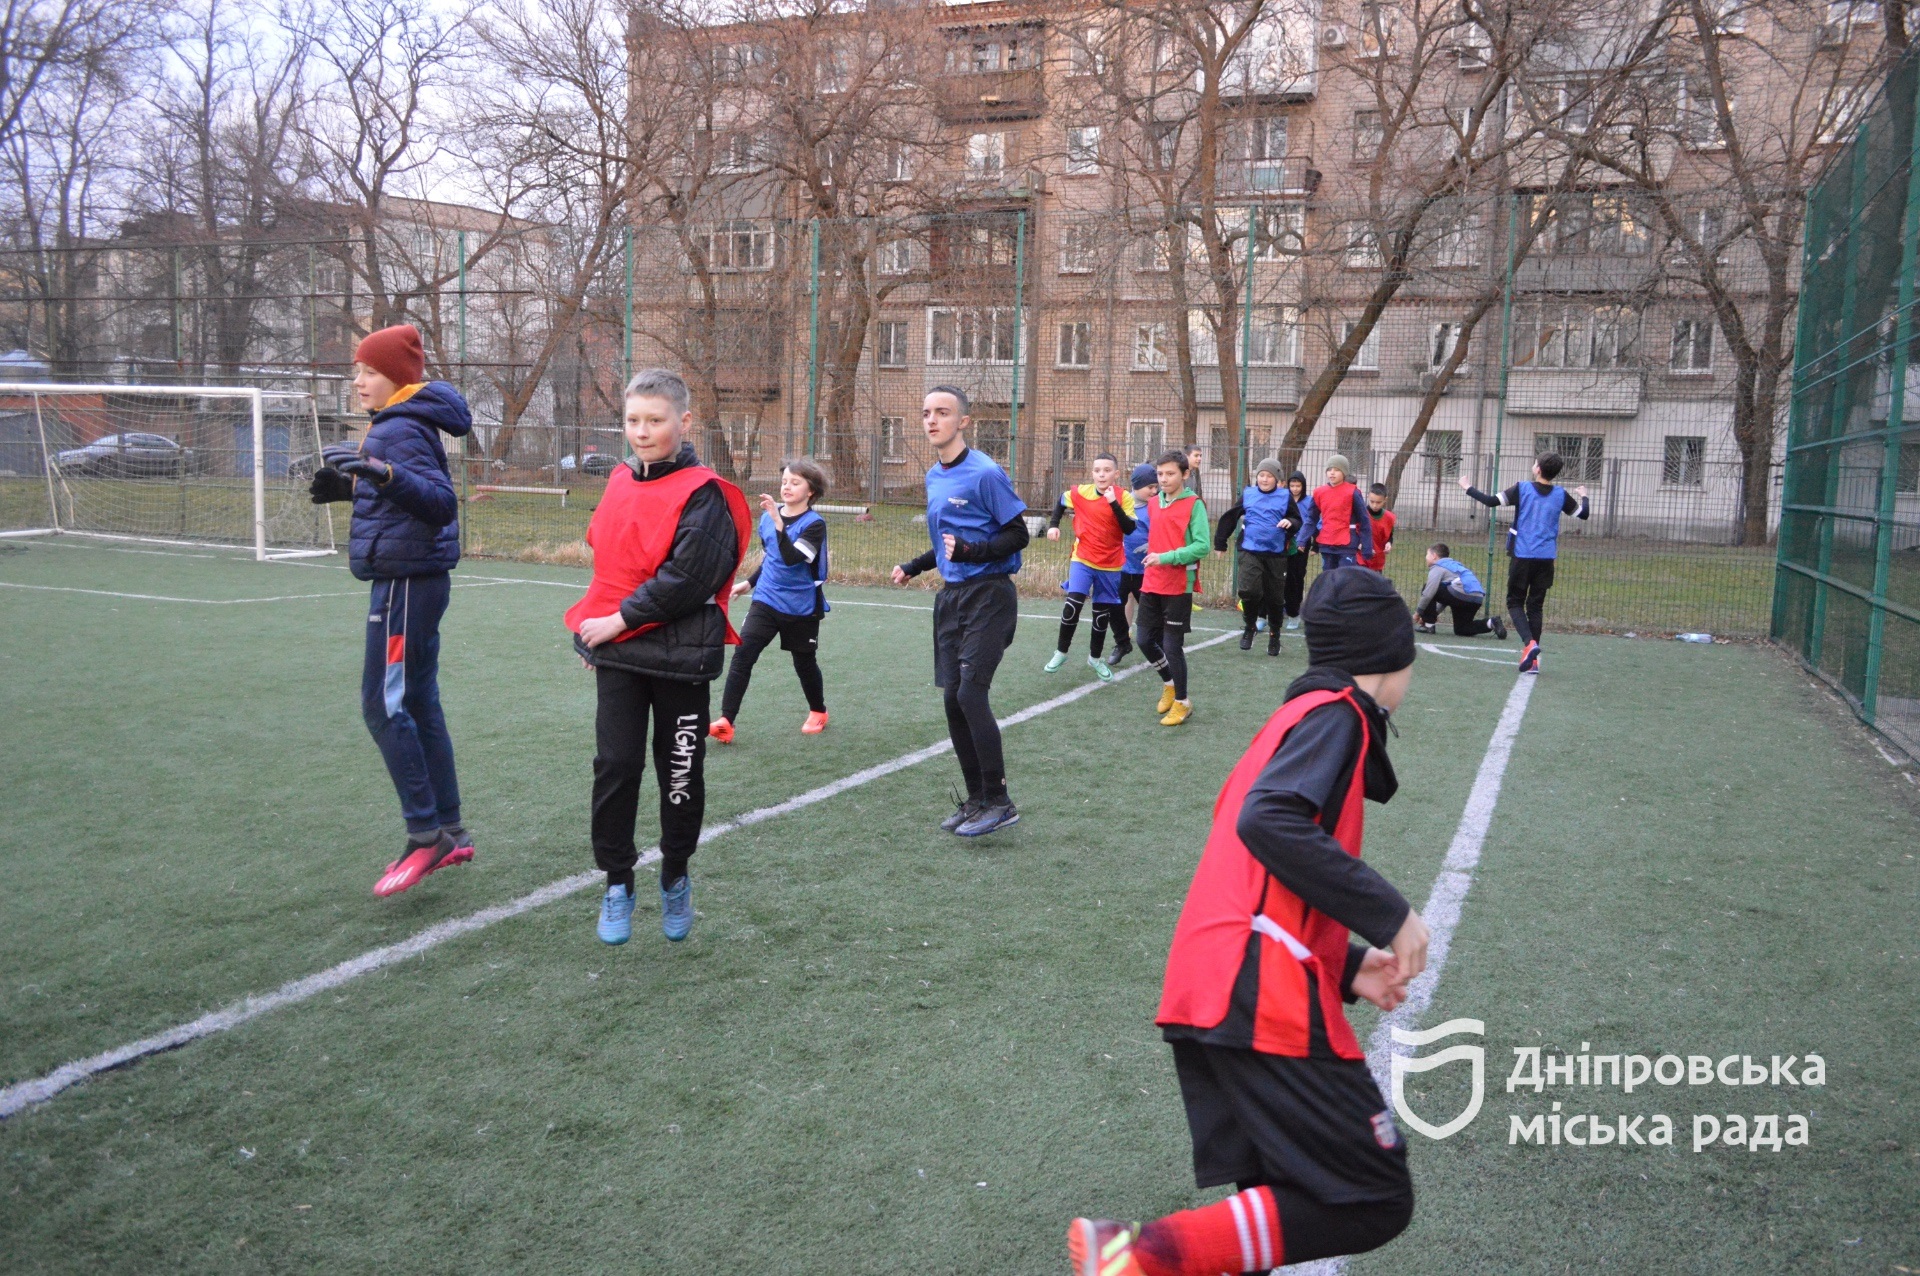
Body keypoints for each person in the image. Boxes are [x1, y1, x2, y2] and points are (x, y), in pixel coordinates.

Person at [1067, 568, 1431, 1276]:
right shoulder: (1339, 714)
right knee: (1373, 1194)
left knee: (1275, 1200)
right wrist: (1391, 916)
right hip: (1255, 989)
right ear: (1390, 653)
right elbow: (1267, 820)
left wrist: (1348, 962)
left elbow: (1260, 870)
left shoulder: (1299, 717)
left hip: (1218, 981)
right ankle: (1136, 1256)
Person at [564, 368, 750, 946]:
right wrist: (589, 633)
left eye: (655, 420)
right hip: (622, 657)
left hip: (680, 660)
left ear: (684, 421)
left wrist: (615, 623)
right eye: (633, 421)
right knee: (615, 768)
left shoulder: (706, 493)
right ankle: (619, 881)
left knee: (678, 773)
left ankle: (674, 874)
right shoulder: (620, 480)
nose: (641, 432)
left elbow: (687, 580)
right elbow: (609, 568)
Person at [308, 323, 476, 898]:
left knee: (382, 704)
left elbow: (438, 503)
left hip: (406, 586)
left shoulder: (397, 429)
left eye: (369, 371)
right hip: (414, 581)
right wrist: (359, 488)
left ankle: (425, 834)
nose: (358, 381)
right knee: (419, 699)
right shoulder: (401, 424)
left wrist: (382, 474)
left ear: (397, 379)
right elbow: (410, 497)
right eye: (356, 370)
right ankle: (450, 827)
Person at [892, 386, 1030, 837]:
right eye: (927, 412)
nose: (932, 420)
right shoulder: (935, 476)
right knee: (953, 699)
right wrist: (914, 566)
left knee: (971, 695)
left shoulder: (985, 473)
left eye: (943, 413)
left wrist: (976, 549)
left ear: (964, 422)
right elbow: (946, 542)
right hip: (951, 597)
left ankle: (1002, 801)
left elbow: (1017, 535)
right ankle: (977, 800)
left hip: (989, 595)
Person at [710, 458, 832, 743]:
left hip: (801, 606)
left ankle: (818, 711)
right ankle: (726, 721)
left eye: (795, 482)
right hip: (766, 599)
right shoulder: (768, 517)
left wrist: (779, 522)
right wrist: (747, 583)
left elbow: (791, 559)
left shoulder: (814, 525)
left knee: (804, 662)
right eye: (785, 481)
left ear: (811, 490)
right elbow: (773, 560)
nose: (787, 487)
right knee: (744, 654)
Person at [1458, 452, 1589, 674]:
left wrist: (1467, 487)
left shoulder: (1522, 488)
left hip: (1523, 556)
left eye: (1535, 462)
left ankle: (1530, 644)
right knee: (1535, 606)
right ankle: (1533, 660)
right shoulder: (1561, 495)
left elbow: (1491, 502)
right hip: (1546, 559)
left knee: (1515, 603)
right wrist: (1584, 495)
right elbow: (1583, 514)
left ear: (1537, 469)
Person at [1045, 452, 1138, 682]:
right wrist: (1054, 525)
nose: (1101, 474)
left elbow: (1129, 529)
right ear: (1092, 473)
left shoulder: (1124, 497)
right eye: (1097, 470)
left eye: (1107, 470)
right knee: (1073, 604)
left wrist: (1113, 503)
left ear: (1116, 474)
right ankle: (1061, 652)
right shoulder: (1080, 493)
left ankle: (1095, 658)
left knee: (1101, 615)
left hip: (1110, 564)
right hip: (1083, 559)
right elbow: (1060, 501)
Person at [1137, 450, 1210, 727]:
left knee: (1171, 646)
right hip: (1152, 581)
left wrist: (1166, 557)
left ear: (1185, 475)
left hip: (1179, 584)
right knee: (1144, 640)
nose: (1164, 479)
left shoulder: (1195, 504)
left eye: (1170, 474)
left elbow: (1201, 546)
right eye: (1160, 474)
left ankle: (1182, 702)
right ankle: (1169, 684)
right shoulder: (1154, 503)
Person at [1212, 457, 1299, 656]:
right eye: (1261, 475)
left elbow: (1297, 519)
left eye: (1269, 476)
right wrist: (1220, 542)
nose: (1264, 479)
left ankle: (1274, 634)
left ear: (1277, 479)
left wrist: (1290, 523)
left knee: (1275, 598)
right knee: (1247, 590)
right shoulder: (1249, 494)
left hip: (1276, 554)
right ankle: (1249, 626)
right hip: (1250, 550)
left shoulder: (1285, 497)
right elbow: (1230, 516)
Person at [1414, 543, 1506, 639]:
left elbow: (1429, 593)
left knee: (1427, 587)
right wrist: (1433, 614)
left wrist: (1418, 614)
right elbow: (1446, 597)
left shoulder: (1438, 567)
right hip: (1477, 597)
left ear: (1434, 556)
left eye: (1427, 554)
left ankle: (1428, 626)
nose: (1426, 557)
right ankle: (1491, 622)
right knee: (1461, 629)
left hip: (1460, 594)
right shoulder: (1455, 565)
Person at [1299, 454, 1373, 573]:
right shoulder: (1319, 492)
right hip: (1326, 543)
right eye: (1329, 469)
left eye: (1337, 470)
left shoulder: (1353, 492)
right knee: (1328, 578)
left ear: (1344, 472)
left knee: (1344, 578)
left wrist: (1367, 546)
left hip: (1347, 544)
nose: (1332, 473)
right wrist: (1302, 539)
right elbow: (1311, 519)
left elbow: (1364, 520)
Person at [1115, 462, 1157, 665]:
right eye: (1150, 487)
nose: (1154, 490)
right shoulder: (1122, 503)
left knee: (1149, 609)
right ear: (1136, 485)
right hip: (1122, 566)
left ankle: (1155, 645)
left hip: (1146, 569)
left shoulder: (1154, 508)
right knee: (1118, 604)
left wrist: (1152, 544)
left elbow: (1161, 532)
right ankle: (1123, 641)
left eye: (1156, 487)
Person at [1280, 470, 1311, 631]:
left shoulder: (1309, 501)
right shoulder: (1284, 499)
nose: (1295, 489)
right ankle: (1283, 607)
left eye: (1298, 486)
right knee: (1281, 577)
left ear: (1303, 486)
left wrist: (1305, 541)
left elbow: (1312, 521)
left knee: (1297, 577)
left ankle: (1295, 611)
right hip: (1285, 543)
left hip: (1302, 545)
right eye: (1292, 485)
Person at [1359, 483, 1395, 575]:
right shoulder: (1360, 514)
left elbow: (1389, 536)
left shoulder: (1389, 518)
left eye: (1378, 502)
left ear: (1385, 500)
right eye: (1372, 501)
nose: (1375, 505)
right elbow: (1352, 534)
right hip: (1360, 558)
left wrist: (1389, 544)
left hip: (1377, 559)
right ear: (1368, 497)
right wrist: (1362, 546)